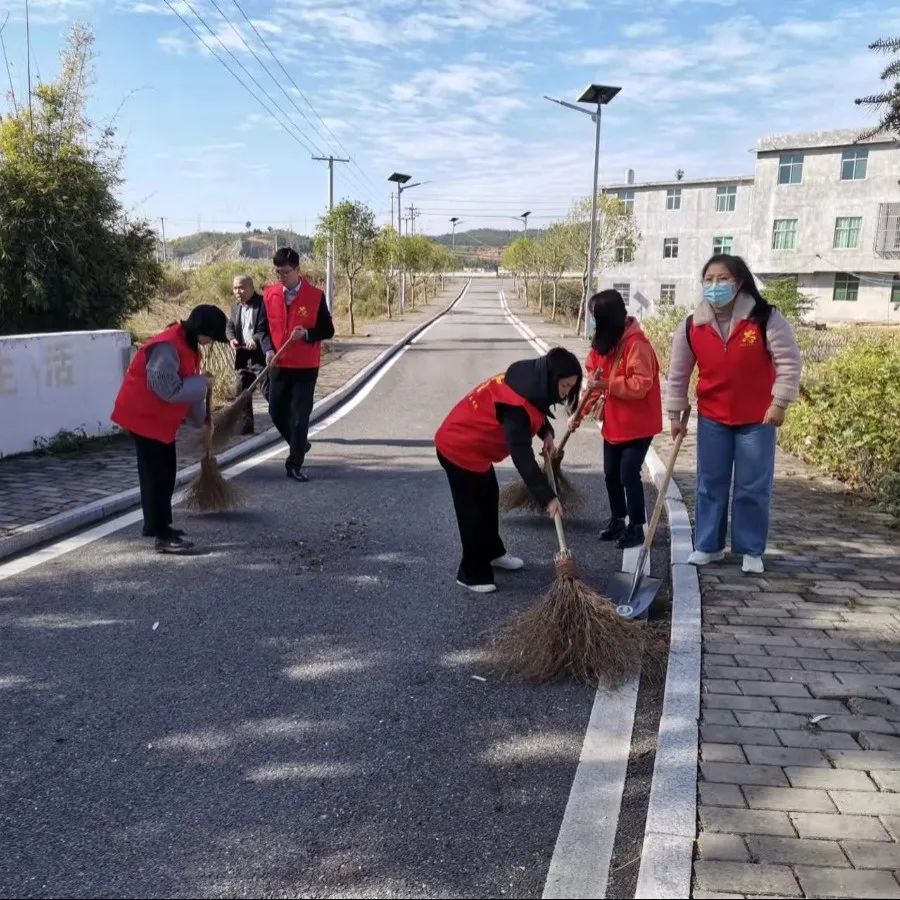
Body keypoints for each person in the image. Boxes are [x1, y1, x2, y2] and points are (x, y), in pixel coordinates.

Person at [667, 254, 802, 574]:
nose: (715, 286)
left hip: (758, 417)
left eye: (722, 279)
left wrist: (779, 402)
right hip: (714, 416)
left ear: (739, 282)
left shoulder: (764, 318)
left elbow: (788, 362)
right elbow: (678, 373)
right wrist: (675, 412)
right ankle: (708, 545)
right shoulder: (692, 325)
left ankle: (751, 549)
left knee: (753, 485)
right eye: (709, 280)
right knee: (709, 483)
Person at [435, 348, 582, 594]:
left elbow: (536, 409)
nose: (566, 392)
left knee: (489, 499)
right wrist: (548, 498)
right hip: (458, 447)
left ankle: (492, 552)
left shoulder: (530, 382)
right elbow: (522, 457)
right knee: (472, 513)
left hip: (477, 451)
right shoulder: (514, 403)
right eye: (564, 385)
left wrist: (546, 432)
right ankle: (470, 573)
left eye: (570, 387)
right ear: (550, 378)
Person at [111, 305, 228, 554]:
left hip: (157, 420)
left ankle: (162, 527)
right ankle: (160, 533)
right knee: (156, 475)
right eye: (211, 337)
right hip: (142, 417)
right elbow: (168, 390)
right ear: (200, 330)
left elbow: (187, 387)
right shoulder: (167, 346)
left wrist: (202, 420)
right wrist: (202, 383)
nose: (210, 343)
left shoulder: (187, 346)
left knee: (166, 472)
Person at [571, 289, 662, 549]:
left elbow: (640, 385)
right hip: (615, 422)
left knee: (628, 473)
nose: (592, 322)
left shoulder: (637, 345)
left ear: (607, 318)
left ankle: (636, 526)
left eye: (594, 317)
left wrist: (608, 383)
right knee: (611, 474)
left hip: (639, 423)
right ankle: (617, 519)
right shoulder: (603, 343)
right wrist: (580, 413)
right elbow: (593, 384)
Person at [263, 247, 335, 482]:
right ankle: (300, 443)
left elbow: (327, 329)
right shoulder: (270, 294)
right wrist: (268, 349)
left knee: (300, 416)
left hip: (305, 366)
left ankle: (294, 463)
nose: (281, 277)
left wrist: (306, 333)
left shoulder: (315, 296)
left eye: (285, 272)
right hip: (278, 363)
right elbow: (262, 329)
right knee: (275, 412)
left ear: (297, 270)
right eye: (278, 273)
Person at [226, 274, 271, 435]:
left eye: (242, 287)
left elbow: (264, 328)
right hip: (243, 356)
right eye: (235, 288)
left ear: (252, 288)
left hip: (260, 356)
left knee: (268, 391)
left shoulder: (263, 304)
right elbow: (230, 325)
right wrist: (231, 338)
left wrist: (255, 338)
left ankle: (285, 421)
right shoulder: (235, 306)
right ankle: (246, 428)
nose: (238, 291)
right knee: (241, 392)